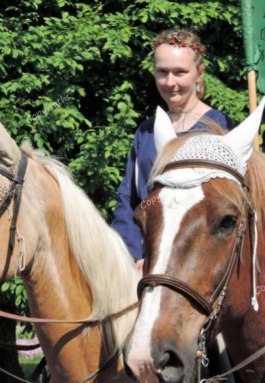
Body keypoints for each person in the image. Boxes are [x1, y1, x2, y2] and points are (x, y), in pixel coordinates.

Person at [111, 28, 233, 273]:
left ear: (199, 74)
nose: (170, 82)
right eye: (162, 72)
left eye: (180, 72)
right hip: (141, 265)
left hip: (195, 268)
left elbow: (224, 213)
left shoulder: (220, 130)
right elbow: (129, 200)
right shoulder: (146, 132)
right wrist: (129, 255)